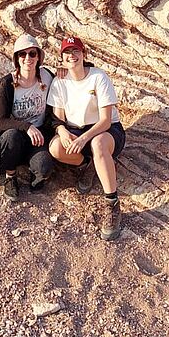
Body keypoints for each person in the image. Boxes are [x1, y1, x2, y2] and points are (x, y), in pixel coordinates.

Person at [48, 36, 126, 241]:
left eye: (76, 51)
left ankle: (112, 204)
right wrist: (63, 133)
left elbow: (106, 121)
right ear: (62, 58)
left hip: (105, 132)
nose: (72, 56)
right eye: (67, 52)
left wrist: (83, 140)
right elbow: (57, 119)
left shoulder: (98, 77)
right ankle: (89, 165)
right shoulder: (59, 81)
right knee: (56, 148)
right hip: (75, 130)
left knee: (97, 144)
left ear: (84, 54)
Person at [0, 33, 56, 201]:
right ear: (16, 58)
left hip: (39, 135)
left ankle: (34, 173)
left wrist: (68, 70)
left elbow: (73, 76)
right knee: (9, 137)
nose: (28, 58)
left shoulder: (47, 76)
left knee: (44, 167)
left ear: (39, 57)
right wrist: (27, 127)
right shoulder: (8, 83)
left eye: (32, 53)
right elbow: (3, 121)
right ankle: (10, 177)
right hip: (18, 133)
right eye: (22, 54)